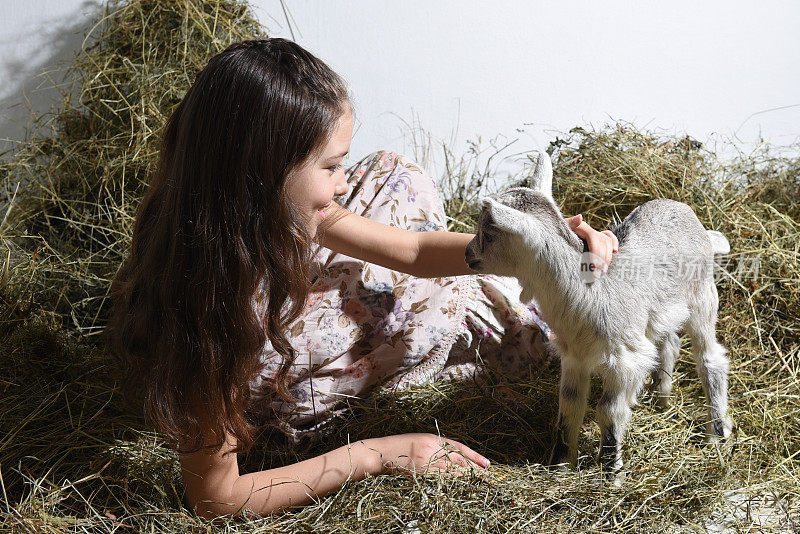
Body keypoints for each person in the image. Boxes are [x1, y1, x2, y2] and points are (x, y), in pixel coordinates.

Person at [105, 38, 618, 519]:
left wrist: (533, 249)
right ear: (264, 171)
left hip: (319, 302)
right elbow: (216, 497)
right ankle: (474, 315)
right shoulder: (203, 309)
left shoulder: (267, 212)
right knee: (517, 341)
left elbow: (413, 250)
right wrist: (380, 454)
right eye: (330, 167)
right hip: (278, 380)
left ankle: (487, 298)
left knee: (396, 178)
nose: (344, 182)